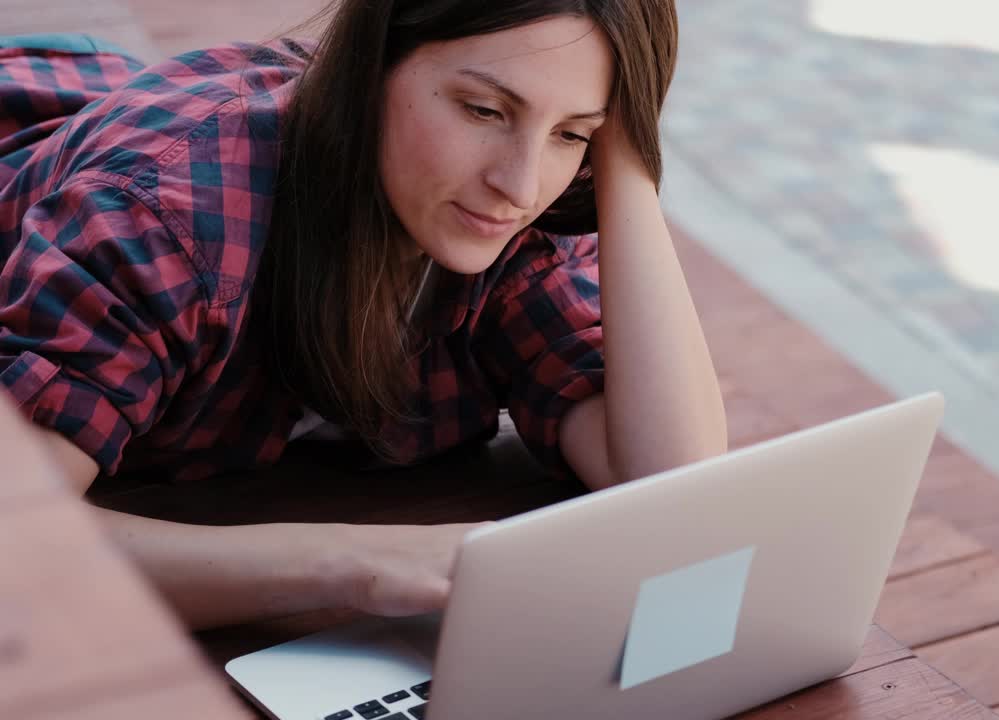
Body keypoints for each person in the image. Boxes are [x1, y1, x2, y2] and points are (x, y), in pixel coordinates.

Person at [0, 0, 726, 629]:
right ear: (369, 64)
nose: (520, 184)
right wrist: (354, 562)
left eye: (572, 133)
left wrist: (630, 157)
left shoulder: (518, 226)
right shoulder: (162, 220)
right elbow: (17, 545)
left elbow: (675, 488)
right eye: (484, 110)